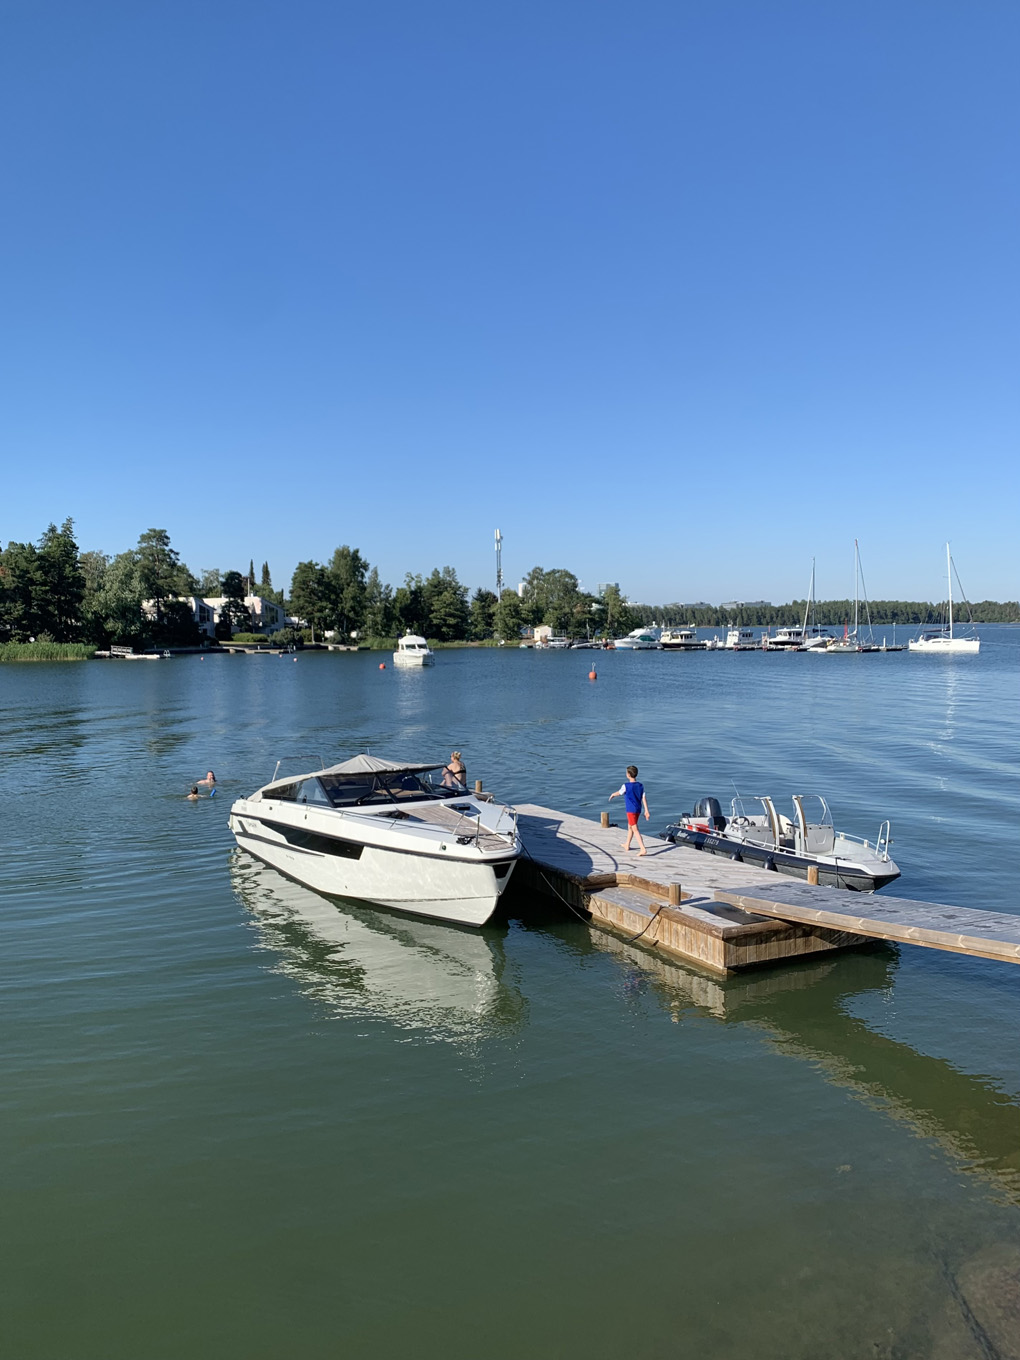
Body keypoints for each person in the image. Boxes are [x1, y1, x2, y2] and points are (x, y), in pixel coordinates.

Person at [609, 765, 650, 856]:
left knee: (635, 828)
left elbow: (619, 793)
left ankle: (642, 848)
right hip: (638, 809)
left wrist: (612, 794)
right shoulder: (640, 785)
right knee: (630, 826)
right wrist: (646, 810)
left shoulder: (626, 786)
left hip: (631, 810)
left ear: (628, 774)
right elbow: (643, 798)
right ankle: (627, 844)